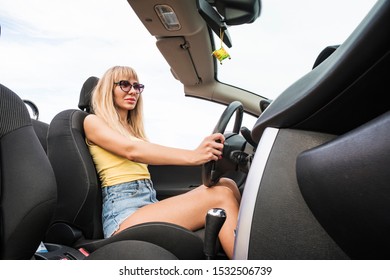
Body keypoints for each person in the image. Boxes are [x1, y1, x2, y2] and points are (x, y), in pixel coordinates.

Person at [84, 65, 241, 259]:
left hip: (147, 203)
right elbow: (132, 151)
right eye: (124, 85)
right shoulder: (92, 122)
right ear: (109, 89)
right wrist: (194, 156)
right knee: (220, 197)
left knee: (227, 184)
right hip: (122, 216)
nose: (133, 91)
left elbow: (144, 149)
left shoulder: (132, 130)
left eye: (137, 86)